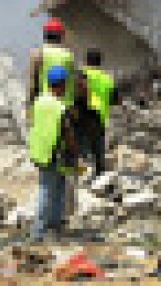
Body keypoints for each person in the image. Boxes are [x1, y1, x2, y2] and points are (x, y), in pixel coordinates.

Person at [29, 65, 79, 242]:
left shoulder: (38, 102)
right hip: (54, 152)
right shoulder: (60, 107)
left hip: (40, 150)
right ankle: (38, 231)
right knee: (48, 189)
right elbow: (67, 132)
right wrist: (74, 152)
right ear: (63, 85)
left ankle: (55, 224)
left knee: (57, 187)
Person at [76, 48, 119, 176]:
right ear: (100, 63)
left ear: (86, 61)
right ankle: (99, 173)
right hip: (99, 115)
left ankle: (81, 173)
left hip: (81, 112)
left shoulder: (80, 74)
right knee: (98, 146)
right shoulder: (107, 79)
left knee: (81, 144)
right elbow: (114, 100)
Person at [27, 18, 75, 125]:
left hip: (46, 106)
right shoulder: (69, 56)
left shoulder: (38, 54)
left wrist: (30, 106)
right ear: (61, 36)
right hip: (66, 107)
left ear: (45, 35)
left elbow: (32, 83)